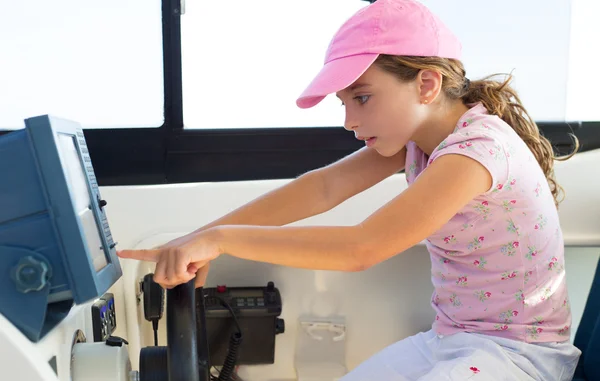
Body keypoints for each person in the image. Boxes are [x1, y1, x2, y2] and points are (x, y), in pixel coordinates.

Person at [117, 0, 583, 379]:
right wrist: (197, 236)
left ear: (426, 84)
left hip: (519, 357)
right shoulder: (420, 141)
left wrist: (220, 241)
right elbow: (322, 189)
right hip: (449, 340)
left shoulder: (477, 150)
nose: (349, 121)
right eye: (344, 103)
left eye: (361, 97)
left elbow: (362, 247)